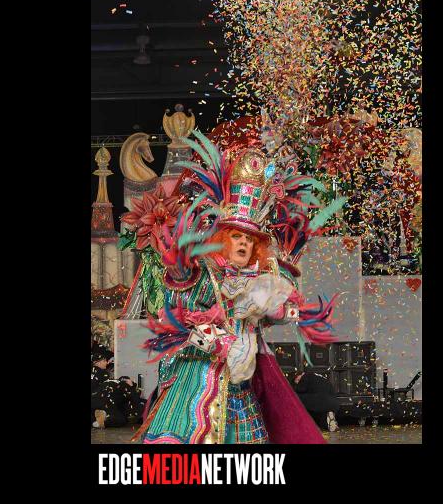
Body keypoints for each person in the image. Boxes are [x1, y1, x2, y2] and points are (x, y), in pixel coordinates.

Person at [120, 129, 343, 444]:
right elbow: (179, 312)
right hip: (201, 378)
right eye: (236, 236)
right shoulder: (206, 272)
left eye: (249, 240)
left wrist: (287, 310)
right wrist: (210, 337)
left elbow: (275, 313)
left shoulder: (259, 279)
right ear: (224, 239)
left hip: (241, 382)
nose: (243, 243)